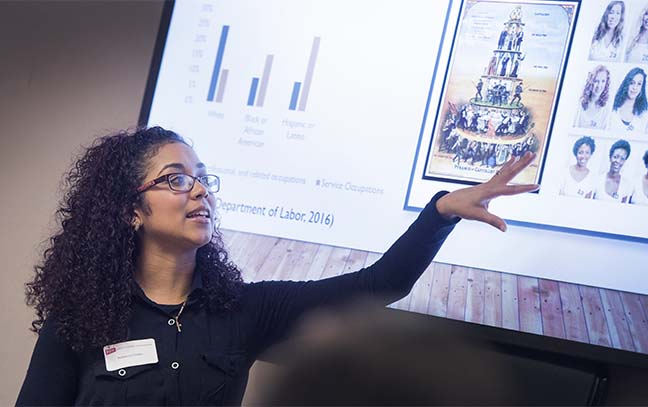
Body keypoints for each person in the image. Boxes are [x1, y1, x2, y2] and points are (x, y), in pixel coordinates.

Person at [16, 127, 539, 406]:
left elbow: (379, 284)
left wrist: (441, 212)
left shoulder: (242, 311)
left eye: (202, 178)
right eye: (176, 180)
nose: (198, 190)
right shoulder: (81, 316)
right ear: (131, 210)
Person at [609, 67, 648, 132]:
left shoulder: (644, 114)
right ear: (626, 84)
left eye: (639, 84)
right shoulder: (612, 108)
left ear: (642, 88)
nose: (634, 87)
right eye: (632, 83)